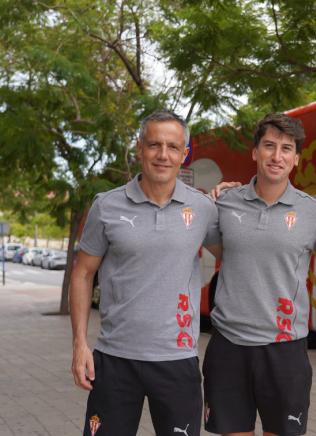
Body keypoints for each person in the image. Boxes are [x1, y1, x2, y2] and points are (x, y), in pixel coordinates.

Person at [70, 110, 222, 436]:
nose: (163, 155)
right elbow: (82, 274)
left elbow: (238, 256)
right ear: (140, 149)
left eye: (172, 146)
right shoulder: (106, 206)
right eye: (154, 145)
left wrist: (243, 197)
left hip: (177, 359)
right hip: (113, 359)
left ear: (185, 154)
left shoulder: (203, 209)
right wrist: (80, 345)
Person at [203, 113, 316, 436]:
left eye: (286, 148)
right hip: (229, 345)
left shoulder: (313, 211)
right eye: (269, 146)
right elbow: (225, 255)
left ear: (296, 158)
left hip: (285, 348)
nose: (277, 156)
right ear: (254, 152)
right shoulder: (224, 203)